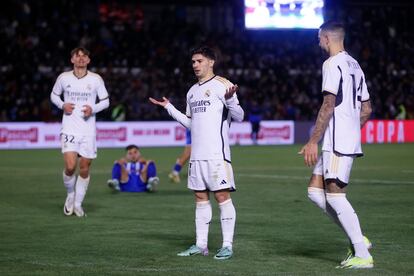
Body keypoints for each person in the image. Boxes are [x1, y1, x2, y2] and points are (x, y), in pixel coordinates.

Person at [149, 45, 244, 260]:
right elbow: (191, 124)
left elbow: (239, 117)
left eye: (199, 61)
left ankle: (227, 245)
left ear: (211, 62)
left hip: (217, 155)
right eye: (193, 62)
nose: (195, 65)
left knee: (221, 196)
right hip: (197, 156)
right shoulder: (192, 91)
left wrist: (230, 101)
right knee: (200, 198)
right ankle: (201, 245)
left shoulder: (223, 85)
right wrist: (170, 108)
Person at [299, 21, 374, 269]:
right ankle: (357, 235)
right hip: (344, 139)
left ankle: (362, 252)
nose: (318, 42)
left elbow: (328, 104)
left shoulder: (331, 64)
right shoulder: (356, 65)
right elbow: (367, 109)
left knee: (335, 196)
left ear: (327, 38)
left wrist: (312, 140)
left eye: (319, 38)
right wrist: (351, 130)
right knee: (314, 191)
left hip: (336, 142)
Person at [50, 47, 110, 217]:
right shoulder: (63, 78)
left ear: (89, 60)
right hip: (69, 128)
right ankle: (70, 195)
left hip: (88, 131)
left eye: (85, 56)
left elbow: (105, 101)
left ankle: (78, 204)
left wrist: (93, 108)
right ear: (72, 59)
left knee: (84, 168)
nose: (81, 58)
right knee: (70, 167)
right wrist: (63, 105)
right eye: (78, 56)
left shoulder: (96, 79)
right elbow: (54, 96)